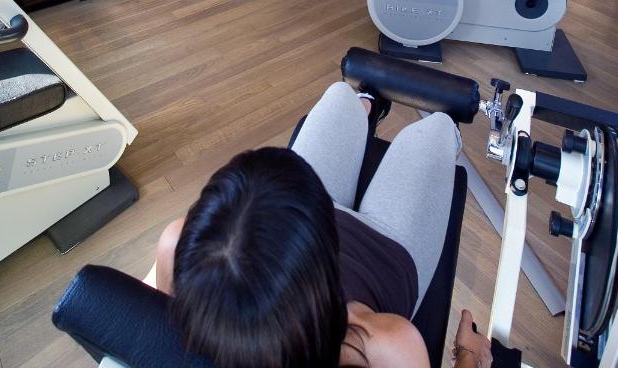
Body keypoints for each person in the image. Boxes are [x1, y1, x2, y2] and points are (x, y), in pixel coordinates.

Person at [153, 82, 493, 368]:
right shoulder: (386, 346)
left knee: (340, 95)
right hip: (388, 254)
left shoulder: (175, 245)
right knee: (436, 128)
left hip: (300, 222)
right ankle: (426, 124)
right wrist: (470, 355)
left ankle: (365, 107)